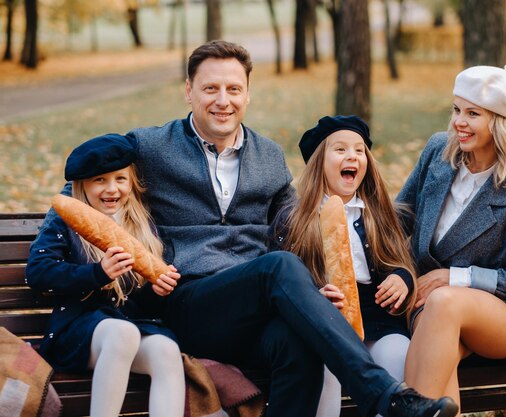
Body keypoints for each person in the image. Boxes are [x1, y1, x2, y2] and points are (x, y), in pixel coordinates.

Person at [39, 40, 458, 417]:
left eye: (234, 89)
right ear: (189, 91)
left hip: (255, 309)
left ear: (247, 94)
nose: (223, 101)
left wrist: (323, 283)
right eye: (210, 89)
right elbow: (83, 188)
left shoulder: (269, 156)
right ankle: (382, 394)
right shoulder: (150, 146)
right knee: (276, 267)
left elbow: (297, 225)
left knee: (299, 344)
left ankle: (380, 393)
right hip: (189, 301)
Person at [396, 65, 506, 414]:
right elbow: (399, 218)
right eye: (456, 110)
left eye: (472, 113)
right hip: (426, 306)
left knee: (444, 301)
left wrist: (452, 277)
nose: (458, 122)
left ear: (499, 121)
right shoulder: (439, 151)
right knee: (440, 358)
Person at [26, 134, 185, 417]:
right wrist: (98, 273)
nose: (111, 189)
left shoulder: (142, 223)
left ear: (132, 182)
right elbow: (39, 273)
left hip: (129, 324)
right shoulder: (66, 218)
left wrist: (156, 290)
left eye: (120, 179)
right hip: (77, 330)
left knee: (166, 350)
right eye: (100, 180)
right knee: (121, 333)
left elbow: (142, 302)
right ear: (82, 185)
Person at [270, 115, 418, 417]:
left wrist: (403, 278)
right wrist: (314, 297)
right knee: (323, 367)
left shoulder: (379, 214)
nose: (352, 156)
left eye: (359, 150)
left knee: (398, 355)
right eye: (340, 150)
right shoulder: (294, 220)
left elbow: (399, 262)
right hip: (326, 323)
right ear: (318, 163)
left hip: (378, 322)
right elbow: (281, 281)